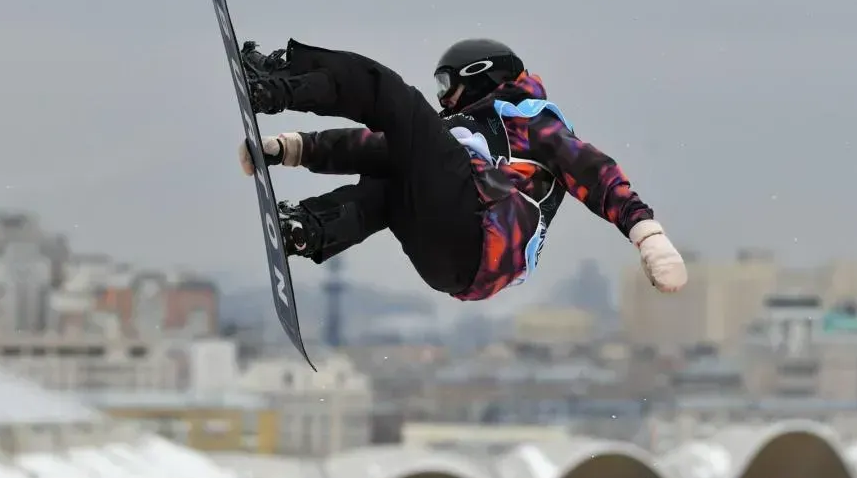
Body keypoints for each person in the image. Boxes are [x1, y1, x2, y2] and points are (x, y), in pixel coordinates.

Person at [235, 38, 687, 301]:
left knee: (392, 96)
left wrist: (647, 234)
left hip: (480, 226)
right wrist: (290, 149)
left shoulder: (531, 120)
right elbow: (376, 146)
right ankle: (308, 228)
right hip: (452, 267)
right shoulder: (454, 131)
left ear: (480, 74)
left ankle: (278, 81)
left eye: (447, 84)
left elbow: (593, 171)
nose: (443, 97)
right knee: (390, 176)